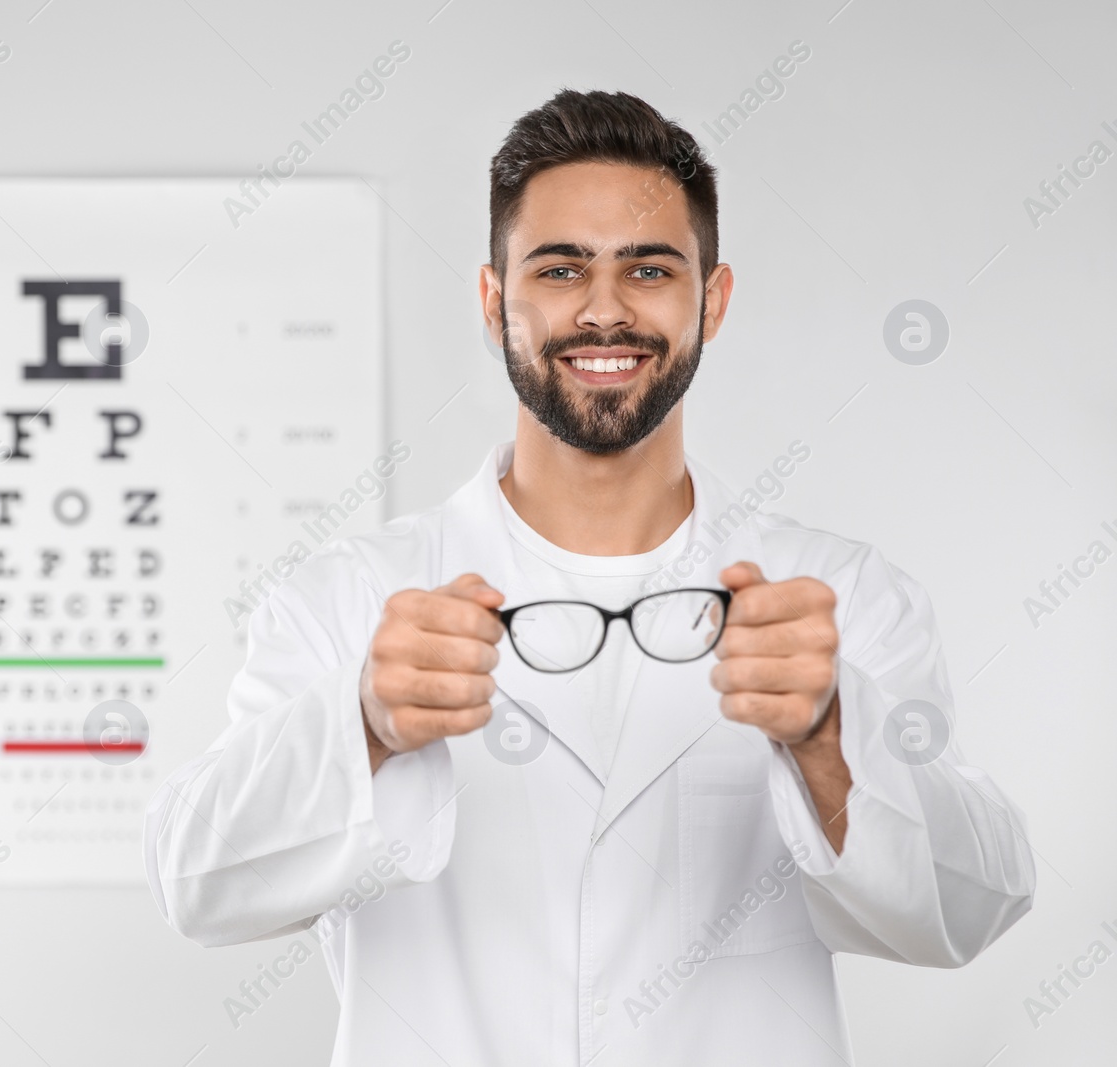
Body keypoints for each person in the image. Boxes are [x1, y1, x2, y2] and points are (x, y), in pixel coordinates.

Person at [143, 89, 1034, 1065]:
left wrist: (828, 733)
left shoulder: (837, 597)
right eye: (560, 267)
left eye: (648, 269)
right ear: (494, 301)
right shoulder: (349, 599)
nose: (604, 308)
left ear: (712, 297)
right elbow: (197, 883)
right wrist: (360, 725)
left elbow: (970, 906)